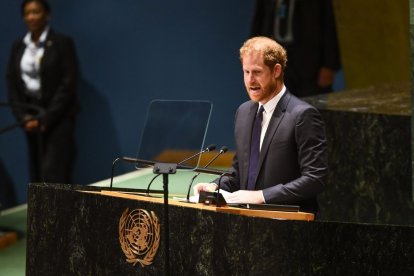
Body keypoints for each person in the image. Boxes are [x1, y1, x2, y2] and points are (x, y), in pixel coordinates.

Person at [194, 36, 327, 213]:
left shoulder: (302, 115)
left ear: (276, 71)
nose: (250, 81)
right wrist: (215, 187)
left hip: (289, 225)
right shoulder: (244, 112)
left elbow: (315, 179)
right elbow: (239, 172)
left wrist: (262, 196)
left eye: (257, 72)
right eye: (246, 72)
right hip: (246, 222)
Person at [6, 0, 79, 183]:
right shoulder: (18, 46)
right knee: (38, 175)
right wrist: (24, 117)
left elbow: (68, 82)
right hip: (31, 119)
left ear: (47, 14)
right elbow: (12, 84)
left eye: (36, 12)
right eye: (27, 13)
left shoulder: (62, 43)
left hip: (58, 118)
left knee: (54, 173)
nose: (31, 17)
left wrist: (45, 119)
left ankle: (63, 212)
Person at [251, 0, 341, 97]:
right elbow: (258, 22)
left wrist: (329, 65)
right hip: (274, 58)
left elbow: (329, 26)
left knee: (312, 106)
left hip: (310, 64)